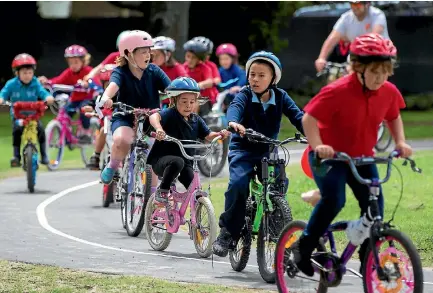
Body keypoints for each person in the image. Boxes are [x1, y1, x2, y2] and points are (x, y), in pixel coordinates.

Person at [294, 33, 412, 277]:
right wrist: (318, 146)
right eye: (374, 72)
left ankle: (369, 256)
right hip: (329, 159)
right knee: (335, 200)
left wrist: (400, 141)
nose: (380, 78)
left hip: (362, 158)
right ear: (358, 68)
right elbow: (309, 118)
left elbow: (393, 116)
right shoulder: (337, 91)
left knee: (375, 210)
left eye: (385, 72)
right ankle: (304, 246)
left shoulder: (388, 91)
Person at [212, 51, 305, 257]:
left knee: (279, 186)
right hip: (243, 150)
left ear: (273, 78)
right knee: (238, 184)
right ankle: (227, 232)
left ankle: (277, 230)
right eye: (252, 74)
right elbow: (234, 108)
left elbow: (298, 117)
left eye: (261, 75)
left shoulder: (281, 97)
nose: (255, 79)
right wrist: (233, 122)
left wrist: (314, 133)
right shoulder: (244, 94)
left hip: (268, 150)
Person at [98, 30, 171, 189]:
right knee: (121, 140)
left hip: (151, 117)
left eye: (149, 51)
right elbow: (113, 86)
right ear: (129, 54)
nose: (148, 55)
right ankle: (113, 164)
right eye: (144, 52)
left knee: (153, 153)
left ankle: (151, 197)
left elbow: (171, 88)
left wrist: (179, 96)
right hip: (125, 116)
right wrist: (107, 98)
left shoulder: (154, 71)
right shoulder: (120, 72)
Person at [147, 77, 230, 203]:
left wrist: (219, 134)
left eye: (192, 102)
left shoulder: (196, 120)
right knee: (177, 162)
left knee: (196, 189)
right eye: (184, 101)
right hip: (162, 160)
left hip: (186, 162)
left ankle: (196, 218)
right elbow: (154, 116)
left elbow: (207, 135)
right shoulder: (170, 114)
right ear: (174, 100)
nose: (188, 106)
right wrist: (159, 128)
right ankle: (162, 191)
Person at [0, 53, 54, 167]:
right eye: (24, 73)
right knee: (17, 131)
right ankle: (16, 156)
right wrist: (1, 99)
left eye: (30, 72)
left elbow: (42, 92)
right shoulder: (11, 84)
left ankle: (44, 156)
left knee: (40, 130)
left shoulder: (35, 83)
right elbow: (4, 93)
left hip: (34, 114)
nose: (27, 76)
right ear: (17, 73)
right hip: (18, 115)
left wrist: (47, 97)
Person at [38, 45, 99, 144]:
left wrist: (87, 84)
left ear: (83, 61)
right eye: (70, 62)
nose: (73, 65)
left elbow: (95, 82)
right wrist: (47, 82)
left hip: (87, 98)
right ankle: (66, 132)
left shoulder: (88, 71)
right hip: (75, 99)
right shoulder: (69, 72)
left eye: (76, 62)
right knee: (65, 112)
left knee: (84, 110)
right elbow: (58, 80)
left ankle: (86, 132)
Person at [315, 1, 389, 72]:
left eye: (358, 4)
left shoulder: (377, 15)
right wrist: (321, 58)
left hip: (380, 59)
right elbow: (332, 38)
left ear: (367, 4)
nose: (355, 7)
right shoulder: (346, 18)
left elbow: (374, 37)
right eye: (352, 4)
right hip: (358, 60)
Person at [86, 64, 116, 170]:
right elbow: (93, 103)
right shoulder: (101, 96)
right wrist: (89, 107)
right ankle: (96, 155)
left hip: (123, 122)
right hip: (108, 123)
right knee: (104, 130)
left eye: (114, 85)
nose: (110, 88)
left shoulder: (125, 94)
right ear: (103, 85)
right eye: (107, 85)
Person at [151, 36, 188, 109]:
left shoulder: (178, 68)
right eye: (152, 55)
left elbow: (187, 85)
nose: (153, 58)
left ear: (168, 54)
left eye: (157, 55)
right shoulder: (152, 68)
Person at [183, 39, 218, 113]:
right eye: (188, 56)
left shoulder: (205, 68)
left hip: (204, 100)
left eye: (193, 58)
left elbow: (210, 81)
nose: (190, 60)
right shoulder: (184, 67)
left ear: (199, 59)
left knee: (195, 104)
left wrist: (199, 85)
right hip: (188, 98)